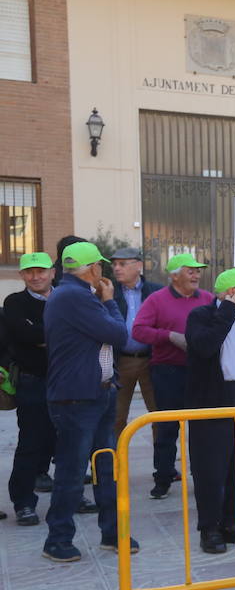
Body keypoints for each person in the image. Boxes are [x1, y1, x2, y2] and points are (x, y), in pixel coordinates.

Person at [42, 241, 138, 562]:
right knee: (72, 471)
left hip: (97, 393)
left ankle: (112, 533)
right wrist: (110, 302)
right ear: (93, 269)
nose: (104, 272)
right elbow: (117, 334)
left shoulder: (76, 295)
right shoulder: (74, 296)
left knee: (105, 466)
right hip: (78, 399)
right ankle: (58, 539)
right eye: (101, 267)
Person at [185, 269, 235, 554]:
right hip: (212, 398)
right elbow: (205, 347)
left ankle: (233, 523)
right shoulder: (202, 317)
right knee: (210, 468)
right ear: (228, 292)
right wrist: (228, 312)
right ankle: (209, 528)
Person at [132, 253, 213, 499]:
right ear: (175, 275)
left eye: (198, 271)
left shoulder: (208, 299)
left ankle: (204, 477)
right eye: (191, 271)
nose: (196, 275)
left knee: (203, 427)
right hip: (168, 372)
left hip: (201, 372)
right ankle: (163, 477)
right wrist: (169, 336)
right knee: (167, 426)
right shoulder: (157, 300)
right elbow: (138, 330)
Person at [5, 252, 56, 527]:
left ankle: (70, 498)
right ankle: (23, 502)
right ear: (22, 276)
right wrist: (58, 334)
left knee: (67, 444)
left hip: (66, 383)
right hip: (33, 382)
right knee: (31, 444)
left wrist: (42, 335)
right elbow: (25, 335)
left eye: (41, 271)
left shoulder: (65, 299)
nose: (35, 277)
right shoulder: (14, 302)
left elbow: (41, 334)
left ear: (52, 273)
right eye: (29, 272)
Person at [110, 247, 160, 436]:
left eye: (122, 264)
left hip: (152, 359)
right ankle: (112, 463)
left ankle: (163, 464)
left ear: (138, 266)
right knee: (116, 416)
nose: (116, 269)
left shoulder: (155, 291)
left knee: (159, 415)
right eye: (114, 264)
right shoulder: (108, 291)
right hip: (122, 360)